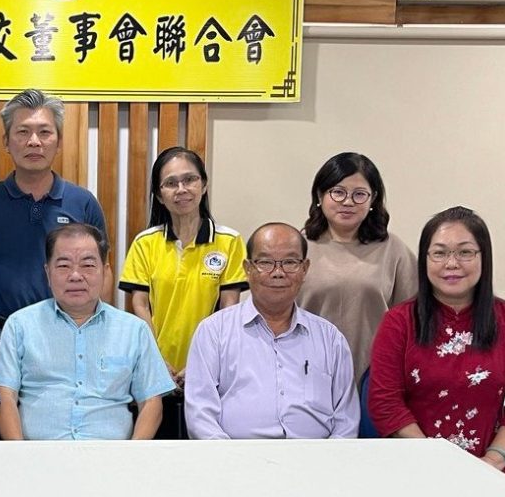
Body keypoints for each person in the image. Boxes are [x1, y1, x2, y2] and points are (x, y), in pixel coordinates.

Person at [368, 206, 505, 478]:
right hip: (418, 470)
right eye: (439, 253)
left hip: (492, 472)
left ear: (484, 257)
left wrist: (494, 460)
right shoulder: (398, 321)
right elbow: (385, 401)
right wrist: (437, 460)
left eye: (465, 252)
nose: (451, 264)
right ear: (425, 259)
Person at [0, 88, 111, 365]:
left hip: (69, 336)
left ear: (58, 141)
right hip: (0, 337)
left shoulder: (83, 203)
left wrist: (96, 333)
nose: (34, 141)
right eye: (23, 132)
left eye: (44, 132)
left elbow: (102, 271)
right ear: (6, 141)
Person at [0, 224, 174, 440]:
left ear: (105, 271)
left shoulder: (134, 330)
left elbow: (151, 402)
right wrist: (20, 453)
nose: (76, 276)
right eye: (64, 266)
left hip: (109, 455)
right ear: (47, 272)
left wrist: (130, 455)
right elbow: (4, 394)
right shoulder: (19, 325)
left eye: (87, 265)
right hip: (39, 454)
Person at [118, 146, 248, 438]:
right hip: (155, 370)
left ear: (204, 184)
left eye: (190, 179)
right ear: (159, 194)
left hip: (212, 370)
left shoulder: (229, 241)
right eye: (171, 183)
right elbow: (140, 306)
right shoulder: (145, 243)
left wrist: (202, 363)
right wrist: (156, 361)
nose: (181, 189)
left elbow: (229, 309)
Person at [184, 223, 359, 439]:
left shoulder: (330, 338)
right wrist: (231, 457)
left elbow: (346, 421)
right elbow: (200, 415)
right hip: (237, 456)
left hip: (316, 456)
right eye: (265, 262)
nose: (278, 273)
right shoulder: (213, 332)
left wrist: (327, 459)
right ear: (247, 269)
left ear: (305, 269)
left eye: (290, 262)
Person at [299, 152, 416, 384]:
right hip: (305, 373)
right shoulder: (298, 247)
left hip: (374, 377)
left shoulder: (392, 248)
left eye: (359, 194)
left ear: (373, 199)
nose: (348, 202)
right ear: (320, 195)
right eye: (338, 192)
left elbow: (414, 317)